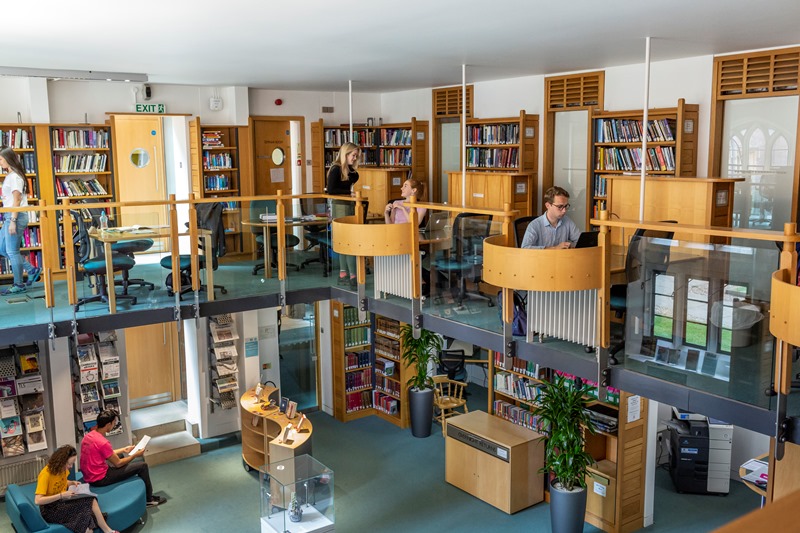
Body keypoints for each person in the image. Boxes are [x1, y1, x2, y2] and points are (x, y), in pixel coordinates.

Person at [80, 409, 166, 507]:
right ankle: (148, 499)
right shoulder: (103, 442)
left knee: (120, 456)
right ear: (108, 424)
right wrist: (135, 455)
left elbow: (105, 453)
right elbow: (118, 463)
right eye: (113, 423)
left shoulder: (89, 436)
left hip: (89, 475)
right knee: (143, 466)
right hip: (100, 479)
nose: (114, 425)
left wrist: (124, 450)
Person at [34, 444, 118, 533]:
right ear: (61, 461)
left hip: (62, 501)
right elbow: (38, 500)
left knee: (90, 505)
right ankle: (107, 530)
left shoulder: (62, 469)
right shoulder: (45, 474)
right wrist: (61, 495)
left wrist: (72, 482)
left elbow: (60, 483)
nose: (70, 467)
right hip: (50, 509)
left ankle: (107, 530)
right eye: (69, 464)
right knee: (88, 514)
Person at [0, 146, 41, 294]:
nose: (0, 162)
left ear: (8, 159)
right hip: (9, 216)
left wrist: (13, 220)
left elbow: (16, 201)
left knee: (12, 250)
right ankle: (32, 269)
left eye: (1, 159)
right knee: (2, 248)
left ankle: (19, 284)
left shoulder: (15, 177)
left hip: (15, 216)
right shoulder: (10, 175)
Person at [325, 142, 360, 288]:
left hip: (348, 206)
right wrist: (349, 193)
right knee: (346, 241)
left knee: (348, 241)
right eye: (353, 155)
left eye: (357, 156)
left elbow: (354, 177)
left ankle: (345, 273)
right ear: (345, 154)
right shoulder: (335, 169)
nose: (355, 158)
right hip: (339, 207)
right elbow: (331, 190)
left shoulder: (350, 171)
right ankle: (351, 275)